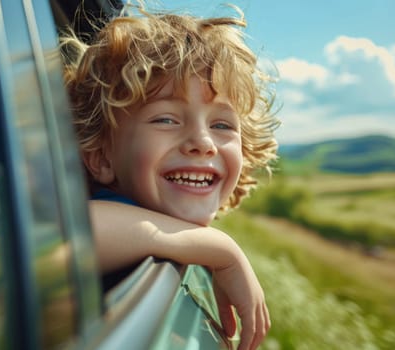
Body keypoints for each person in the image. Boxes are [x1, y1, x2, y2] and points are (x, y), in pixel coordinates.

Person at [61, 4, 279, 350]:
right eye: (166, 119)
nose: (203, 143)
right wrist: (223, 249)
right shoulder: (105, 209)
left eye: (222, 124)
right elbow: (52, 238)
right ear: (102, 158)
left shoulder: (158, 229)